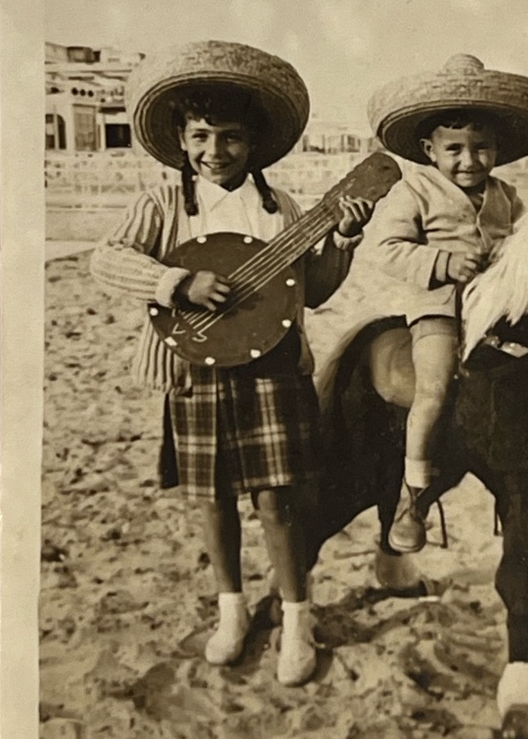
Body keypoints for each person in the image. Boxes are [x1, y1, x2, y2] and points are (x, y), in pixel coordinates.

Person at [91, 40, 373, 686]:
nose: (214, 151)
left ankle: (297, 617)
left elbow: (317, 289)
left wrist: (347, 236)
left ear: (254, 145)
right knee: (210, 497)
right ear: (181, 140)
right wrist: (175, 284)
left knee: (279, 501)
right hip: (194, 369)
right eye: (200, 136)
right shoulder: (163, 205)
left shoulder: (284, 212)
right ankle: (233, 610)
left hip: (273, 367)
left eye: (231, 138)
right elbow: (105, 260)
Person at [366, 53, 528, 553]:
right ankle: (412, 499)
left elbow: (525, 243)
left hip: (495, 309)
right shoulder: (413, 192)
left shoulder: (506, 194)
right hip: (437, 307)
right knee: (432, 390)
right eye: (455, 149)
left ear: (498, 150)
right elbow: (384, 248)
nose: (469, 161)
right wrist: (441, 264)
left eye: (482, 148)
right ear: (430, 149)